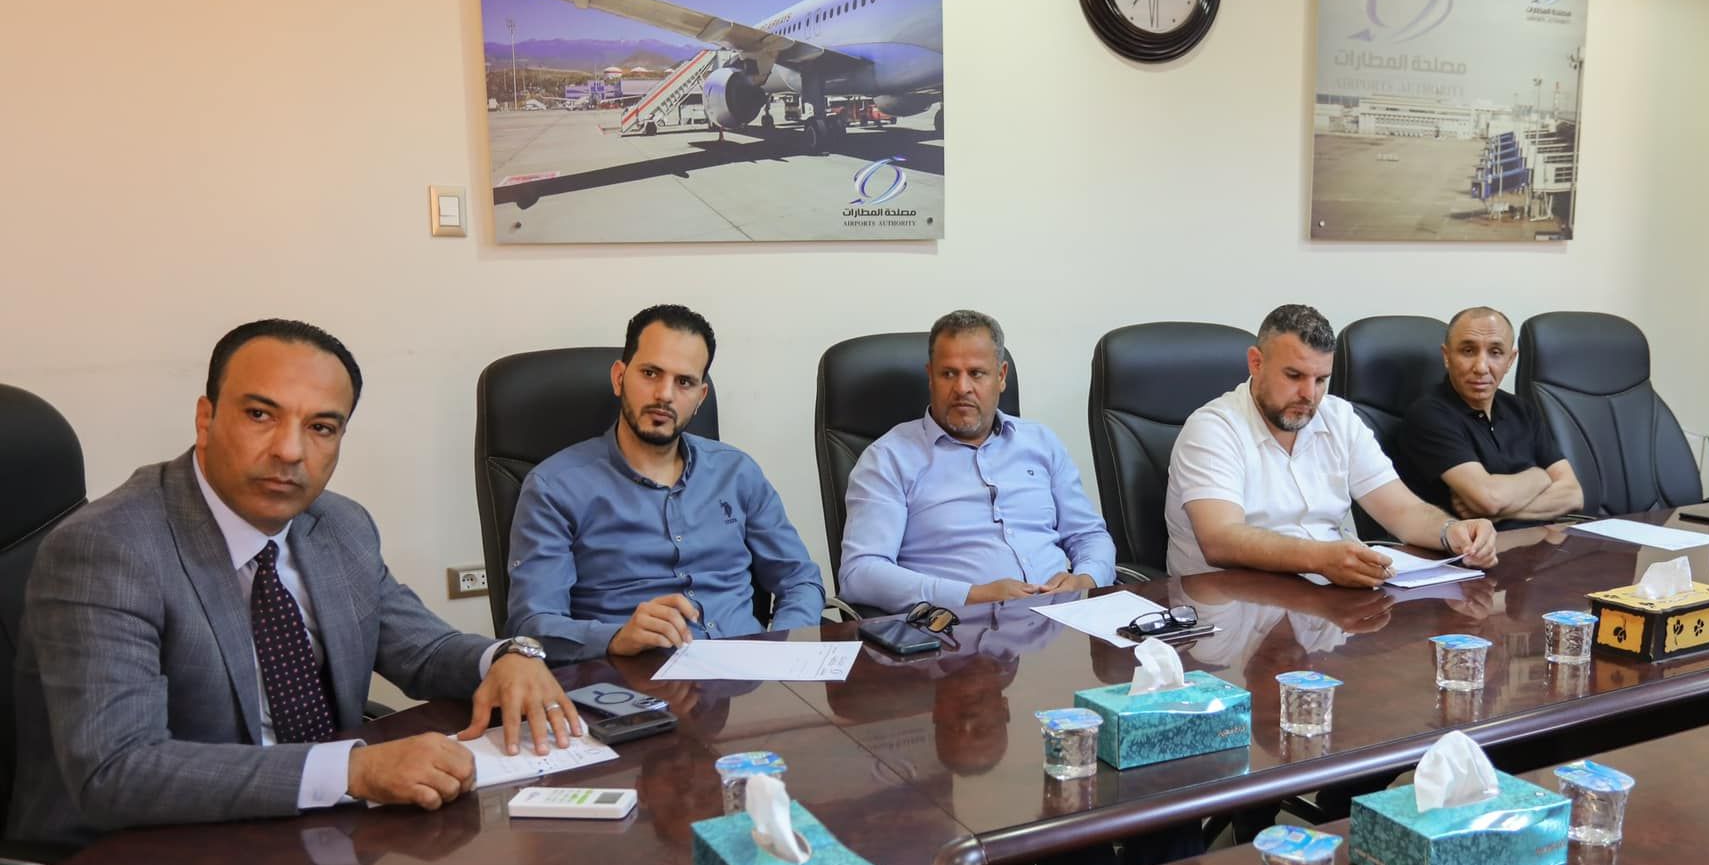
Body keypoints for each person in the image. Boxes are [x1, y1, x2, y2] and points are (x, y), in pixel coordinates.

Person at [9, 319, 579, 850]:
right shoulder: (109, 548)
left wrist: (509, 657)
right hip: (141, 858)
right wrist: (353, 770)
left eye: (321, 427)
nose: (289, 451)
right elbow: (118, 771)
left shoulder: (338, 524)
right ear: (206, 418)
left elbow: (422, 648)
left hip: (315, 837)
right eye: (260, 415)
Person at [506, 305, 823, 659]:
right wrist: (615, 638)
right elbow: (532, 625)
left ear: (700, 397)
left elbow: (801, 580)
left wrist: (780, 651)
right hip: (631, 680)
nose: (665, 395)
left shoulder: (737, 472)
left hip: (747, 678)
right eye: (650, 373)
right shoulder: (554, 487)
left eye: (684, 382)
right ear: (619, 378)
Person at [1164, 304, 1498, 584]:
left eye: (1321, 379)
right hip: (1230, 607)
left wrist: (1450, 531)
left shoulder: (1339, 418)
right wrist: (1320, 558)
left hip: (1324, 602)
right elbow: (1220, 539)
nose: (1309, 395)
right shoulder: (1213, 428)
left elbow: (1402, 511)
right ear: (1256, 362)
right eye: (1294, 376)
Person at [838, 309, 1115, 611]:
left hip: (1065, 618)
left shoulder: (1041, 442)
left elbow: (1088, 535)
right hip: (958, 628)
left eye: (976, 373)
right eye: (948, 374)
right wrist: (971, 595)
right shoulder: (888, 459)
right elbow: (860, 573)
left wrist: (1086, 579)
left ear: (1001, 377)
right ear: (930, 377)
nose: (962, 388)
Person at [1398, 306, 1583, 525]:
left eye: (1495, 352)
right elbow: (1488, 499)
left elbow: (1573, 494)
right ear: (1447, 356)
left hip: (1542, 540)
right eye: (1468, 351)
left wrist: (1503, 512)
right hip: (1478, 545)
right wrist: (1539, 476)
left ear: (1510, 360)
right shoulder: (1428, 414)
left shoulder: (1522, 410)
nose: (1481, 367)